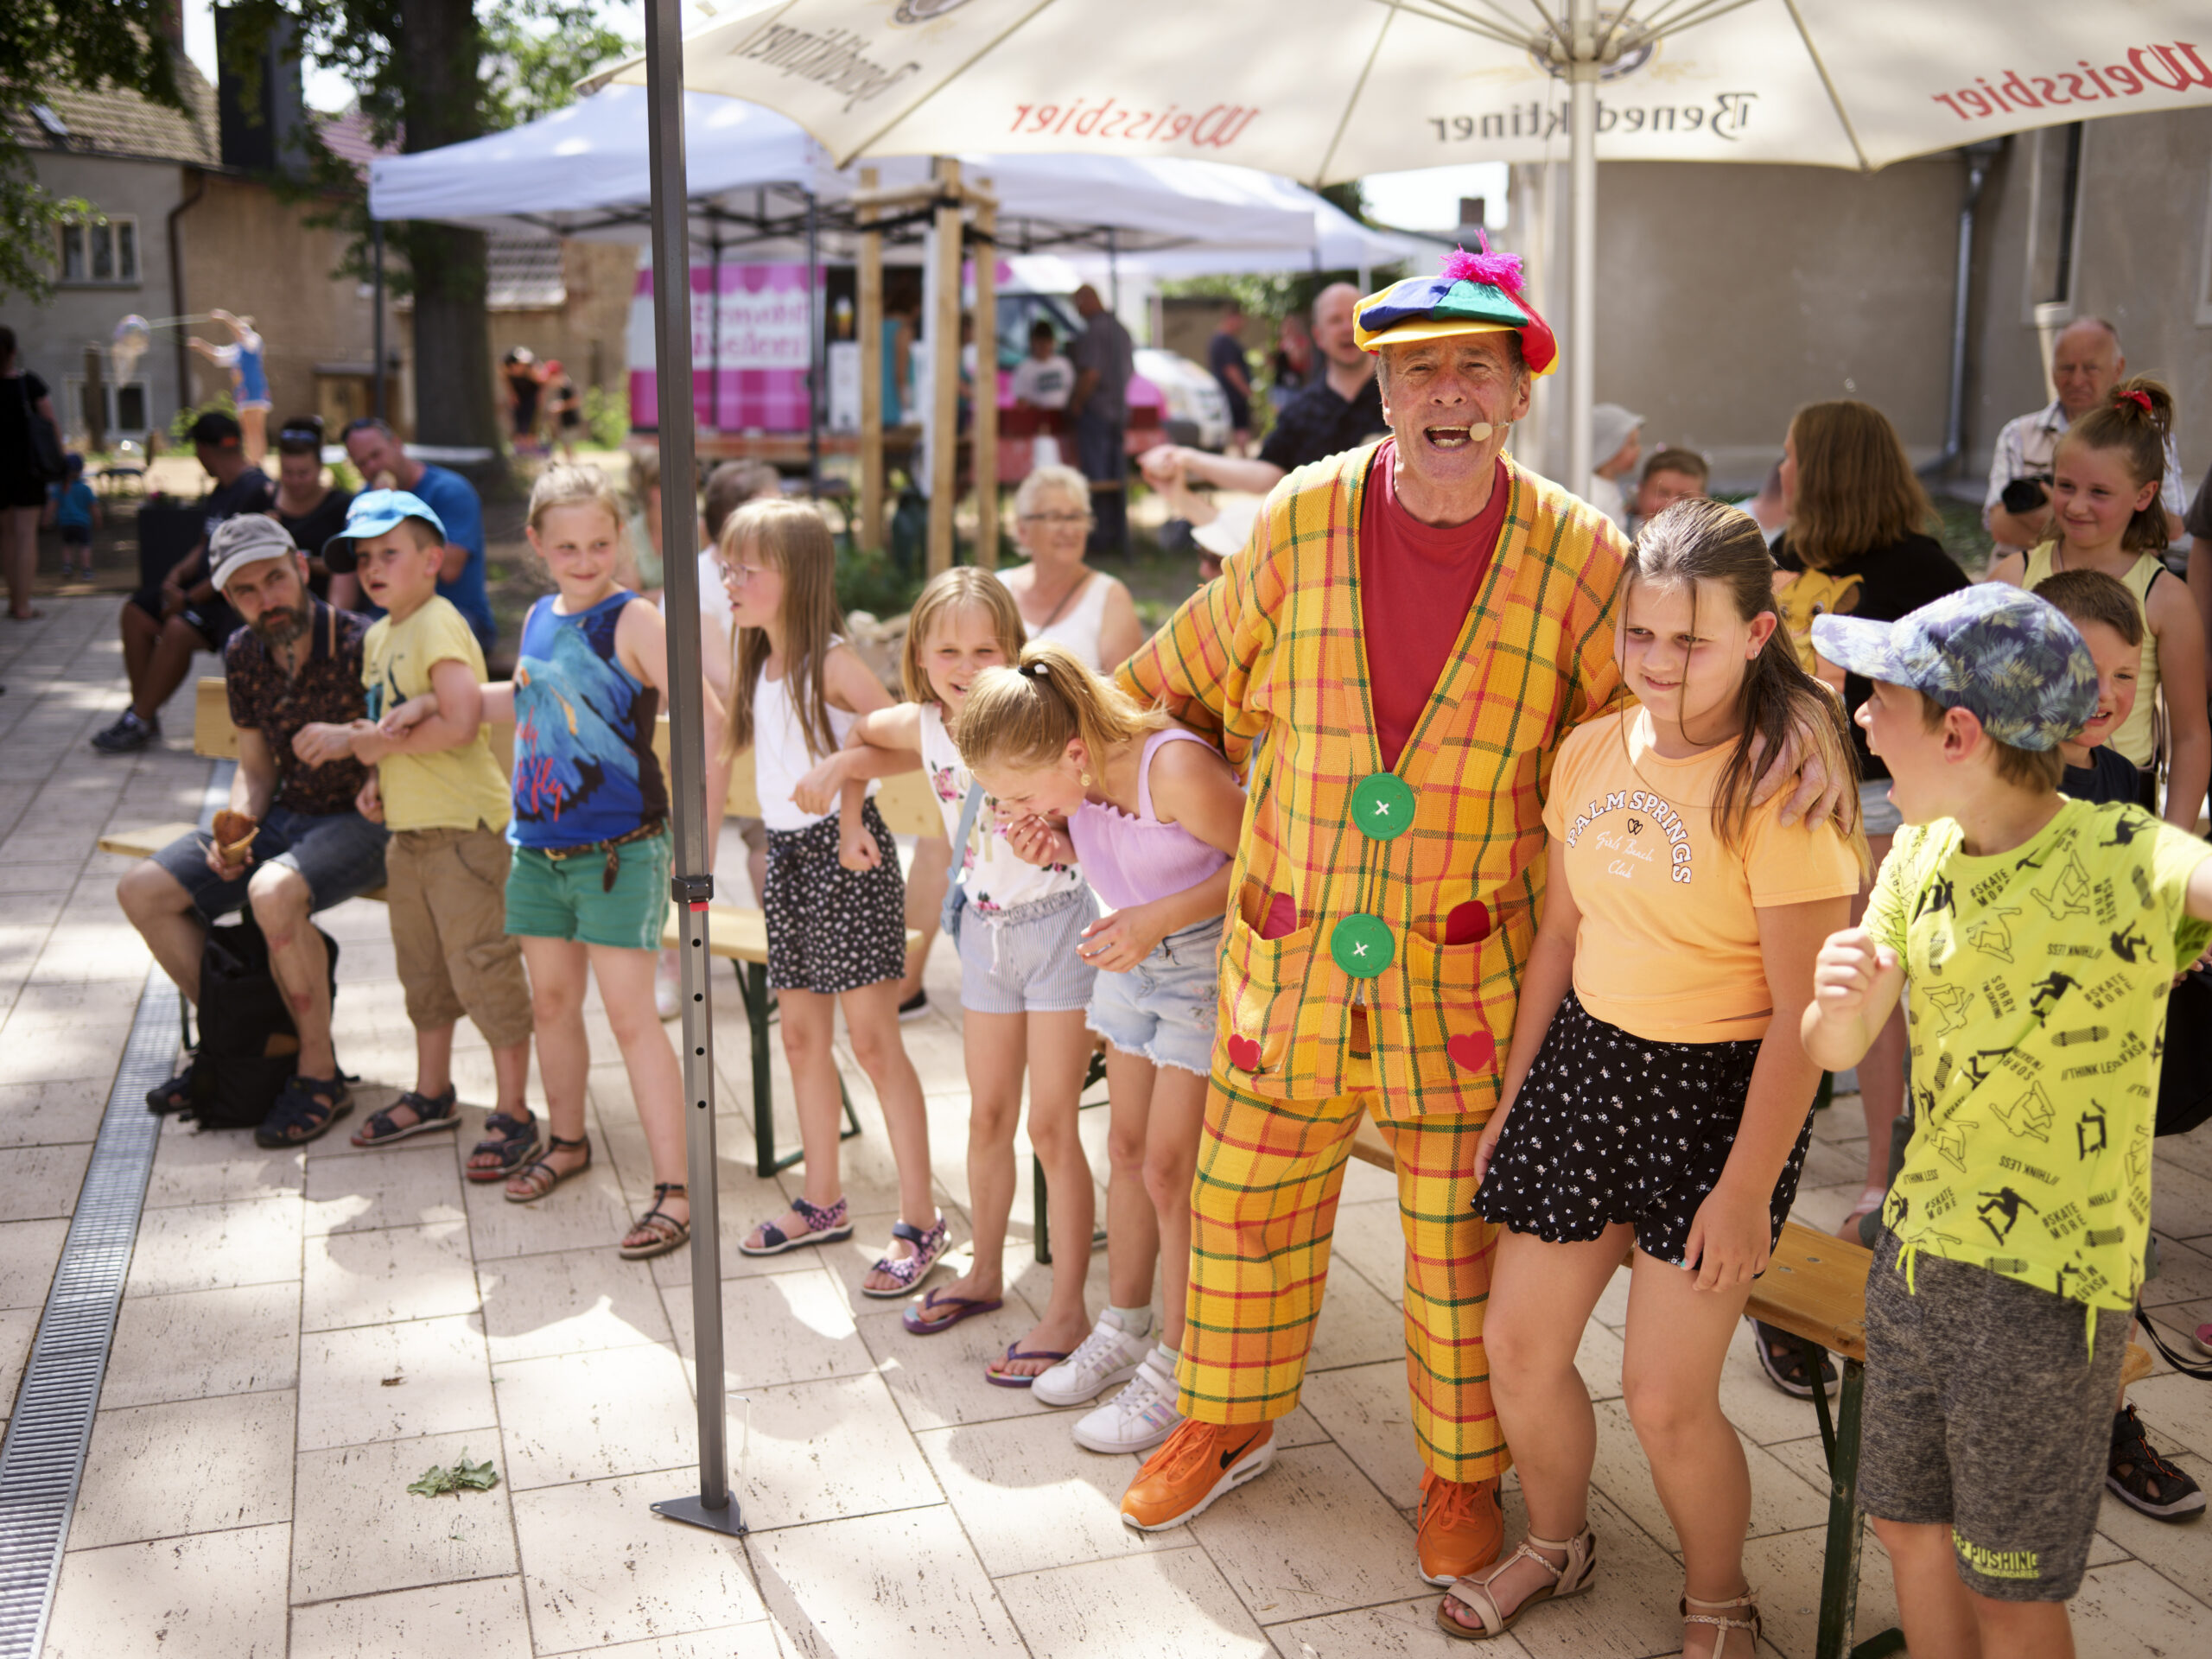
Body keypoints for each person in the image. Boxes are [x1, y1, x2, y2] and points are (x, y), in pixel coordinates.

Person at [1112, 245, 1839, 1570]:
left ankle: (1462, 1473)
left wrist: (1785, 737)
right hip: (1289, 961)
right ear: (1380, 389)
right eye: (1418, 369)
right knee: (1240, 1207)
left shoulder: (1583, 553)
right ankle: (1221, 1420)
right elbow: (1173, 684)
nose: (1446, 392)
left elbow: (1666, 714)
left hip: (1470, 979)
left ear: (1517, 395)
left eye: (1474, 369)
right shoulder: (1296, 516)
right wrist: (1076, 773)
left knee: (1462, 1251)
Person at [1440, 499, 1861, 1649]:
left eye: (1692, 641)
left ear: (1758, 638)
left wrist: (1743, 1188)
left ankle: (1718, 1594)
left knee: (1668, 1400)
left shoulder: (1785, 786)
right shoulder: (1588, 751)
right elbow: (1561, 941)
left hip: (1721, 1098)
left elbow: (1803, 1017)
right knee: (1518, 1350)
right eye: (1641, 635)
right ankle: (1556, 1543)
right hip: (1586, 1070)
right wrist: (1521, 1098)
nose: (1661, 664)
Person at [1802, 583, 2212, 1659]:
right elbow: (1833, 1049)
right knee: (1905, 1527)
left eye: (1877, 696)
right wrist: (1833, 1005)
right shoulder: (1916, 857)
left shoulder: (2125, 855)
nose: (1856, 715)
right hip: (1918, 1261)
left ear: (1958, 731)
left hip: (2045, 1295)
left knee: (2011, 1588)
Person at [798, 569, 1100, 1370]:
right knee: (987, 1117)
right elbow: (864, 733)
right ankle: (989, 1272)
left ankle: (1068, 1310)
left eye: (985, 648)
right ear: (921, 657)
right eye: (948, 651)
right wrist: (845, 789)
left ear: (1015, 649)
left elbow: (1108, 784)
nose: (966, 666)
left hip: (1059, 929)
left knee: (1051, 1128)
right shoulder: (927, 721)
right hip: (985, 938)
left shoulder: (1048, 714)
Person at [959, 643, 1246, 1455]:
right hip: (1126, 959)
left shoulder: (1173, 769)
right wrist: (1061, 848)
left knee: (1167, 1169)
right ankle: (1124, 1327)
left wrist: (1156, 919)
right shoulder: (1076, 781)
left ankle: (1181, 1367)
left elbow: (1265, 863)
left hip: (1196, 965)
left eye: (1020, 793)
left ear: (1075, 752)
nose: (1017, 808)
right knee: (1123, 1148)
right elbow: (1117, 853)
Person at [461, 465, 713, 1255]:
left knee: (634, 1020)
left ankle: (676, 1187)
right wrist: (446, 704)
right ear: (537, 544)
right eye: (566, 544)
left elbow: (703, 713)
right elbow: (531, 695)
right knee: (552, 1008)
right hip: (537, 850)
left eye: (600, 542)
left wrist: (702, 824)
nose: (584, 557)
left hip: (620, 853)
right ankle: (567, 1143)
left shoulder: (634, 617)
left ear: (621, 540)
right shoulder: (539, 614)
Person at [718, 499, 944, 1297]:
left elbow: (907, 739)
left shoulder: (832, 662)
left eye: (748, 568)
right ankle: (823, 1200)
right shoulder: (759, 661)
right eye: (728, 565)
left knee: (874, 1043)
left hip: (845, 863)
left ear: (798, 576)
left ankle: (921, 1219)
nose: (730, 580)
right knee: (802, 1041)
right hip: (788, 859)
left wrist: (848, 804)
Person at [1770, 401, 1969, 1257]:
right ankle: (1856, 1165)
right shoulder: (1784, 555)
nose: (1780, 471)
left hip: (1887, 802)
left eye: (1790, 455)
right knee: (1822, 986)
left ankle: (1892, 1176)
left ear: (1827, 467)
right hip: (1788, 798)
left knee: (1885, 990)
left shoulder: (1922, 569)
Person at [2031, 568, 2208, 1522]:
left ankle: (2105, 1424)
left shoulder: (2115, 777)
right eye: (2078, 668)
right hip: (2002, 1110)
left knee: (2105, 1280)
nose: (2104, 696)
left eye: (2124, 676)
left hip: (2103, 1098)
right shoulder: (1975, 789)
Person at [115, 516, 389, 1128]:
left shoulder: (358, 641)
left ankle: (318, 1074)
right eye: (245, 591)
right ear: (228, 598)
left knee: (272, 892)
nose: (265, 599)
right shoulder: (242, 652)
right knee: (143, 891)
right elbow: (258, 772)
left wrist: (369, 767)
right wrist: (236, 827)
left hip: (365, 821)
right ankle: (242, 1050)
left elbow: (395, 743)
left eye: (273, 578)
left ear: (299, 566)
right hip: (288, 817)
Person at [313, 491, 535, 1159]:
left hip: (464, 832)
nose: (374, 568)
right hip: (410, 834)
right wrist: (376, 779)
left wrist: (372, 749)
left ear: (433, 560)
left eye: (390, 553)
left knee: (482, 967)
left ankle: (515, 1111)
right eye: (363, 557)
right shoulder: (378, 635)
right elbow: (391, 718)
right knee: (424, 973)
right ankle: (432, 1092)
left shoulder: (437, 622)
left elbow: (463, 719)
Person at [1989, 380, 2209, 828]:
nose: (2076, 506)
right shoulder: (2014, 577)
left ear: (2145, 495)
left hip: (2122, 813)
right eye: (2066, 486)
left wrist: (2174, 848)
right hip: (2020, 803)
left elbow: (2189, 735)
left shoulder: (2167, 598)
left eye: (2100, 493)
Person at [94, 410, 274, 754]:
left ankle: (139, 718)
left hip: (231, 603)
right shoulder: (221, 489)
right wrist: (176, 575)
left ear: (204, 450)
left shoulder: (255, 491)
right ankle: (144, 713)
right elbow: (207, 545)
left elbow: (238, 566)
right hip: (201, 593)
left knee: (177, 628)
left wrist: (189, 600)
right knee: (136, 612)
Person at [1138, 282, 1384, 531]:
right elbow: (1264, 473)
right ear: (1318, 336)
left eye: (1355, 317)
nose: (1347, 328)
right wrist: (1187, 458)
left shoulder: (1401, 395)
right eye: (1335, 320)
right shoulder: (1300, 411)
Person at [1984, 318, 2186, 556]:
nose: (2077, 380)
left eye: (2091, 368)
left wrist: (2053, 515)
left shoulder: (2147, 434)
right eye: (2067, 368)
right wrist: (2104, 523)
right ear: (2052, 371)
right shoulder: (2018, 434)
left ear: (2118, 369)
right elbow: (2000, 527)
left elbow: (2170, 528)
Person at [338, 419, 495, 652]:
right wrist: (333, 623)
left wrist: (395, 511)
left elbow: (449, 569)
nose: (373, 467)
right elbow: (346, 576)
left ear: (397, 444)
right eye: (362, 463)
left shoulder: (450, 491)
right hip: (386, 615)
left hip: (456, 614)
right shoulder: (364, 504)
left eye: (376, 455)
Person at [995, 465, 1143, 671]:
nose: (1069, 529)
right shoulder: (998, 590)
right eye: (1055, 517)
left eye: (1075, 516)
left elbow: (1124, 695)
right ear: (1023, 530)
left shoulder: (1110, 597)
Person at [1066, 284, 1135, 558]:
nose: (1077, 311)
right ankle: (1119, 534)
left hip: (1097, 413)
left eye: (1077, 304)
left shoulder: (1096, 330)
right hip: (1118, 411)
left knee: (1097, 478)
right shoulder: (1120, 328)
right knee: (1115, 475)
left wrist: (1077, 402)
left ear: (1087, 301)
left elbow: (1091, 374)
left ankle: (1101, 538)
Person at [0, 325, 59, 620]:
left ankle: (13, 600)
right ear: (13, 352)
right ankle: (22, 604)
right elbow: (50, 424)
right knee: (25, 535)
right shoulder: (28, 383)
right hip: (27, 470)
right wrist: (60, 463)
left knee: (7, 536)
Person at [267, 416, 352, 601]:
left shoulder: (341, 505)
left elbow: (351, 564)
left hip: (325, 600)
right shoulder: (264, 500)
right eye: (287, 473)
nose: (295, 481)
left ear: (320, 467)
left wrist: (304, 563)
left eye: (303, 473)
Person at [188, 310, 272, 464]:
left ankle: (257, 462)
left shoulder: (254, 341)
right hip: (243, 394)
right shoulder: (237, 349)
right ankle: (253, 461)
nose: (236, 332)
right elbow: (217, 356)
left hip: (254, 391)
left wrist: (225, 318)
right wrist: (201, 346)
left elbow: (243, 332)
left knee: (256, 429)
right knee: (247, 431)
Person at [1625, 445, 1709, 538]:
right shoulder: (1613, 540)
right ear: (1641, 494)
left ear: (1702, 503)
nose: (1670, 506)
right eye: (1662, 494)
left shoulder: (1717, 548)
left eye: (1684, 497)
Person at [1207, 301, 1255, 455]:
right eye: (1242, 320)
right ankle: (1245, 460)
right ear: (1232, 318)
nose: (1243, 325)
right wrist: (1246, 390)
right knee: (1240, 428)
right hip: (1233, 395)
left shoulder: (1219, 340)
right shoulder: (1225, 341)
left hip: (1228, 394)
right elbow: (1231, 369)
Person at [1586, 403, 1643, 527]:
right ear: (1610, 447)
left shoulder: (1610, 485)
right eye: (1632, 444)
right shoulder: (1593, 491)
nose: (1639, 449)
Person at [45, 452, 99, 584]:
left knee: (67, 545)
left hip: (65, 523)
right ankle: (86, 569)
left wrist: (46, 519)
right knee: (84, 546)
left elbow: (52, 505)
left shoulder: (59, 489)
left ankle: (67, 566)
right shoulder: (85, 489)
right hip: (82, 523)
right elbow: (94, 507)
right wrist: (98, 520)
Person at [1268, 309, 1314, 411]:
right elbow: (1274, 367)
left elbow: (1297, 360)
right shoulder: (1279, 344)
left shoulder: (1302, 342)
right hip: (1280, 385)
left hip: (1295, 385)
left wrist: (1291, 345)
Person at [502, 347, 545, 454]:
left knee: (531, 425)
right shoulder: (506, 366)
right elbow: (505, 379)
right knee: (518, 424)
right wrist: (511, 394)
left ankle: (531, 451)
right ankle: (520, 450)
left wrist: (540, 395)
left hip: (531, 397)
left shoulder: (532, 368)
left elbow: (541, 382)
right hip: (519, 399)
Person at [545, 361, 582, 461]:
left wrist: (560, 407)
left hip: (570, 420)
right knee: (566, 444)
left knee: (567, 444)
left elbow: (576, 401)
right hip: (565, 421)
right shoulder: (561, 388)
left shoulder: (567, 386)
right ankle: (571, 462)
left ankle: (572, 463)